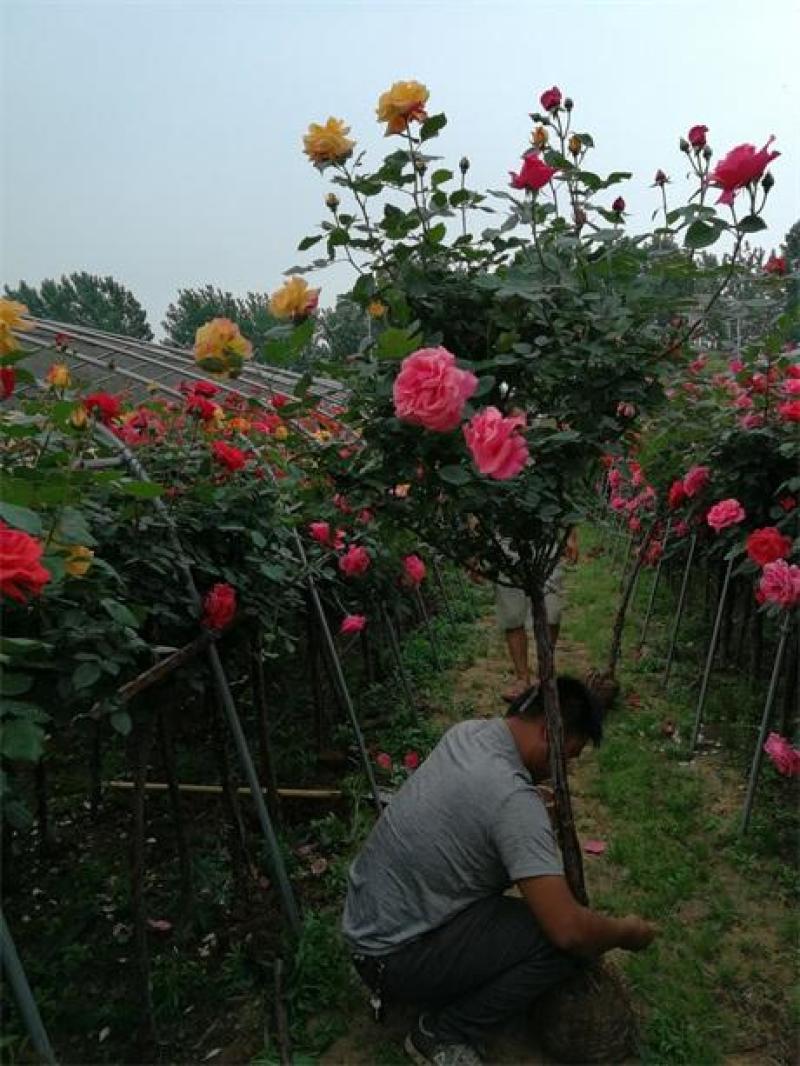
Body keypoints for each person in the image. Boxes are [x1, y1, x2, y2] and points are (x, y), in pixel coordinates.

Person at [342, 678, 656, 1066]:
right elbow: (569, 931)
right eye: (569, 756)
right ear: (547, 732)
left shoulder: (469, 733)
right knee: (560, 943)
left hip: (367, 929)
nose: (566, 769)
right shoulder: (511, 800)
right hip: (394, 958)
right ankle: (442, 1032)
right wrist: (626, 932)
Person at [496, 528, 579, 702]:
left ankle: (545, 673)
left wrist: (571, 535)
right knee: (512, 614)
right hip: (506, 540)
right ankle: (522, 679)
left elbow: (566, 500)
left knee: (552, 613)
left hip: (546, 539)